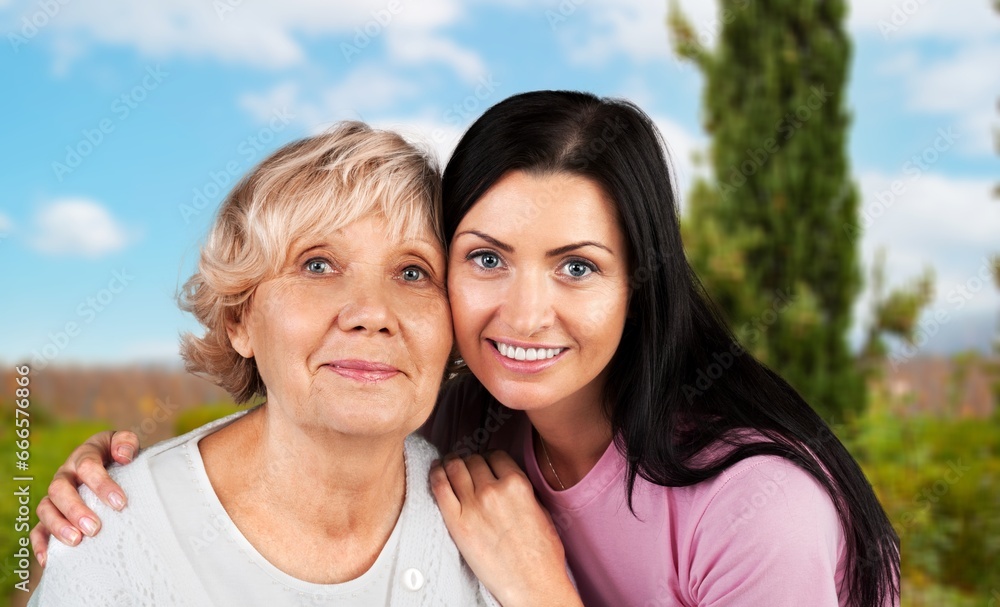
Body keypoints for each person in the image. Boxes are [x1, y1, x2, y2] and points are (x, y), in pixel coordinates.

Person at [32, 91, 900, 607]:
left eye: (577, 265)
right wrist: (106, 506)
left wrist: (542, 591)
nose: (525, 314)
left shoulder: (758, 508)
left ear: (643, 282)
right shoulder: (469, 415)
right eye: (485, 258)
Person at [27, 122, 513, 606]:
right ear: (240, 319)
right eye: (317, 265)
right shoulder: (109, 536)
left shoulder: (494, 528)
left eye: (413, 272)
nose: (372, 313)